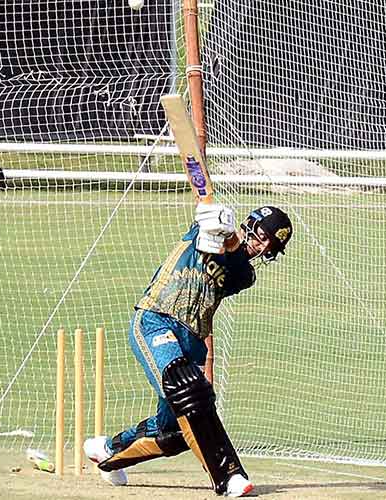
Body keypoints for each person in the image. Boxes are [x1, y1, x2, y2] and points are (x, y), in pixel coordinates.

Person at [84, 202, 293, 497]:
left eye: (269, 246)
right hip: (156, 319)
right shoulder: (205, 228)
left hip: (191, 341)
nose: (262, 247)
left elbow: (230, 258)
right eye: (262, 237)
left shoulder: (244, 276)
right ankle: (229, 476)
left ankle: (108, 453)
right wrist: (213, 217)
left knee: (173, 433)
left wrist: (229, 236)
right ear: (250, 225)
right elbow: (206, 220)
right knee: (187, 390)